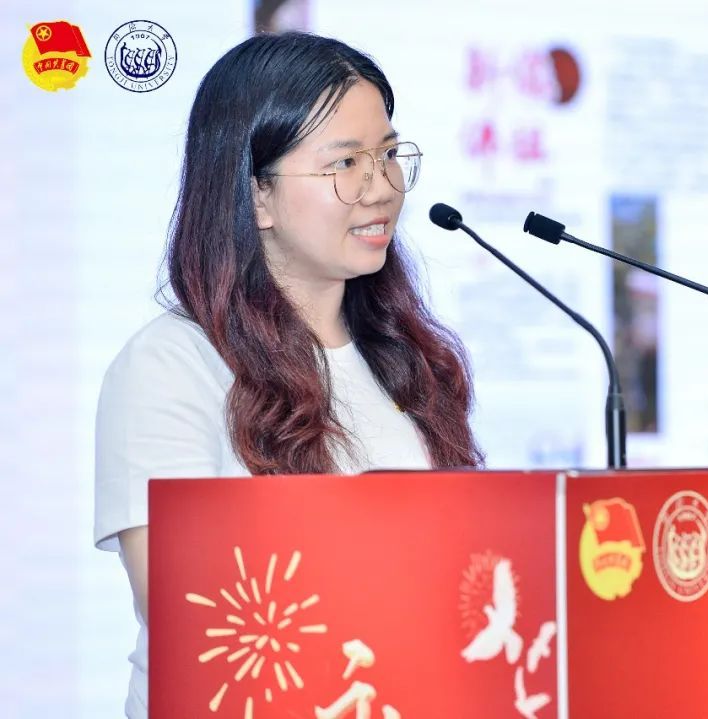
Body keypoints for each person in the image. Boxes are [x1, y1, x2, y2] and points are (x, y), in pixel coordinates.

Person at [93, 32, 483, 718]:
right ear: (257, 196)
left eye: (389, 155)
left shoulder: (408, 360)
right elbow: (193, 620)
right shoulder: (173, 366)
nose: (381, 188)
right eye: (346, 163)